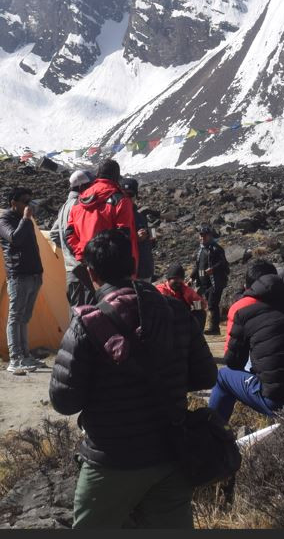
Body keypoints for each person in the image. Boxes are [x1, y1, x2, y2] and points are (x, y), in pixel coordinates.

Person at [49, 231, 217, 529]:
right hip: (171, 452)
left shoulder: (87, 324)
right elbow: (205, 374)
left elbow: (64, 401)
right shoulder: (176, 310)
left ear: (91, 273)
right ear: (134, 265)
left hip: (112, 459)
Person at [209, 260, 284, 422]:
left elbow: (233, 362)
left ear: (248, 286)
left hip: (278, 401)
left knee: (222, 376)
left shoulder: (243, 309)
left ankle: (212, 432)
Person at [0, 186, 45, 375]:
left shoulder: (26, 221)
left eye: (29, 200)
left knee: (25, 317)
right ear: (13, 203)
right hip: (18, 274)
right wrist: (25, 218)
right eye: (25, 201)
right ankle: (15, 359)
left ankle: (25, 355)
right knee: (15, 317)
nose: (28, 204)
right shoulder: (4, 220)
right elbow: (14, 239)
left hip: (33, 274)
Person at [66, 159, 139, 273]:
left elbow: (70, 233)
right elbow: (124, 235)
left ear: (98, 174)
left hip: (87, 265)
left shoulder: (79, 201)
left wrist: (82, 254)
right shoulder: (120, 200)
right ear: (116, 176)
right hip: (114, 270)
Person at [52, 170, 96, 307]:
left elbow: (54, 234)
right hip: (84, 267)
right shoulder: (80, 204)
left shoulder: (64, 206)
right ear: (82, 187)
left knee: (76, 313)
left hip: (70, 270)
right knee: (89, 312)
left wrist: (68, 253)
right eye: (90, 185)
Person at [191, 226, 230, 334]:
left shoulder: (216, 248)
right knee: (197, 303)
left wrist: (213, 269)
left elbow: (224, 263)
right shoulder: (200, 250)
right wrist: (191, 277)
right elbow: (197, 266)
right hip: (203, 283)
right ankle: (200, 325)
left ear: (210, 236)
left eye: (205, 235)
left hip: (215, 282)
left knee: (212, 304)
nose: (202, 237)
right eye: (201, 235)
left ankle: (214, 328)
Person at [123, 177, 156, 281]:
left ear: (136, 195)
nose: (127, 197)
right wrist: (135, 238)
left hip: (144, 269)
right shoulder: (118, 214)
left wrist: (151, 237)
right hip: (130, 272)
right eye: (125, 194)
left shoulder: (140, 216)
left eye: (130, 194)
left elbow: (151, 240)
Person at [157, 263, 207, 331]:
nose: (178, 281)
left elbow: (202, 304)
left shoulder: (185, 289)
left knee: (201, 313)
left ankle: (197, 339)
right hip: (167, 321)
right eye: (175, 279)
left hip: (183, 319)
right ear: (169, 279)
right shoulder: (161, 289)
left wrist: (197, 302)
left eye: (180, 279)